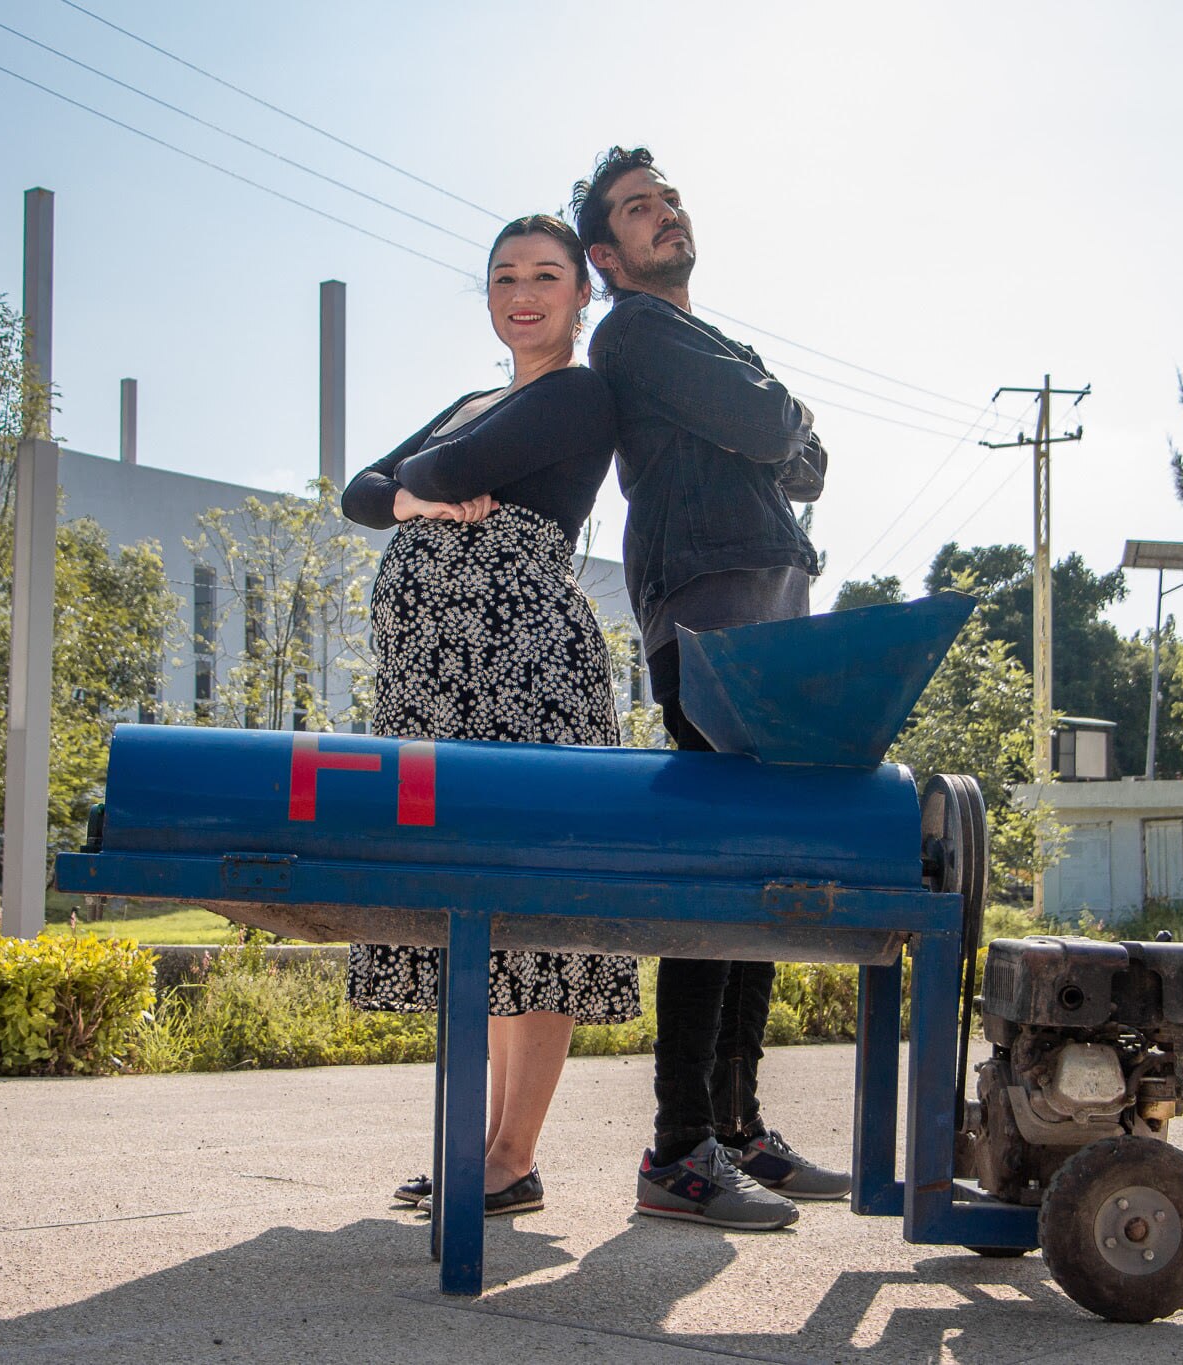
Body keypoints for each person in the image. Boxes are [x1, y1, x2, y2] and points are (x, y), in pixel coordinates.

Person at [341, 213, 638, 1218]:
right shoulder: (473, 399)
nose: (523, 294)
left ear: (579, 293)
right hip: (433, 682)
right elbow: (355, 493)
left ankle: (509, 1155)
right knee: (472, 910)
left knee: (533, 910)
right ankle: (484, 1150)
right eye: (504, 277)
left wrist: (416, 493)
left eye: (545, 276)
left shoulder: (579, 394)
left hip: (525, 673)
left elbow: (429, 475)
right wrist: (414, 501)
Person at [571, 147, 846, 1231]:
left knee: (759, 875)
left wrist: (772, 419)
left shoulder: (699, 341)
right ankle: (678, 1147)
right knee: (714, 880)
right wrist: (775, 415)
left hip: (768, 615)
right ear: (607, 254)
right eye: (638, 209)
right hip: (711, 618)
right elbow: (782, 434)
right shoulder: (634, 330)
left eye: (668, 198)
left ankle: (735, 1129)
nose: (663, 214)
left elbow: (804, 462)